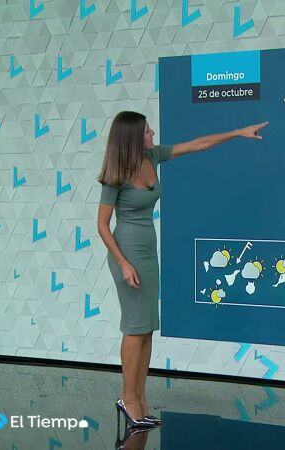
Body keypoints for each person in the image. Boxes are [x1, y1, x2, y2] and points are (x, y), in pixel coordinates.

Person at [97, 111, 268, 428]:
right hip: (127, 255)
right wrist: (123, 264)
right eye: (147, 131)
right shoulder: (116, 174)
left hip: (147, 254)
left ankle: (139, 396)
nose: (152, 133)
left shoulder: (152, 156)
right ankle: (127, 397)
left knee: (147, 327)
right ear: (132, 137)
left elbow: (198, 144)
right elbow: (102, 226)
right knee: (134, 327)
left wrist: (237, 132)